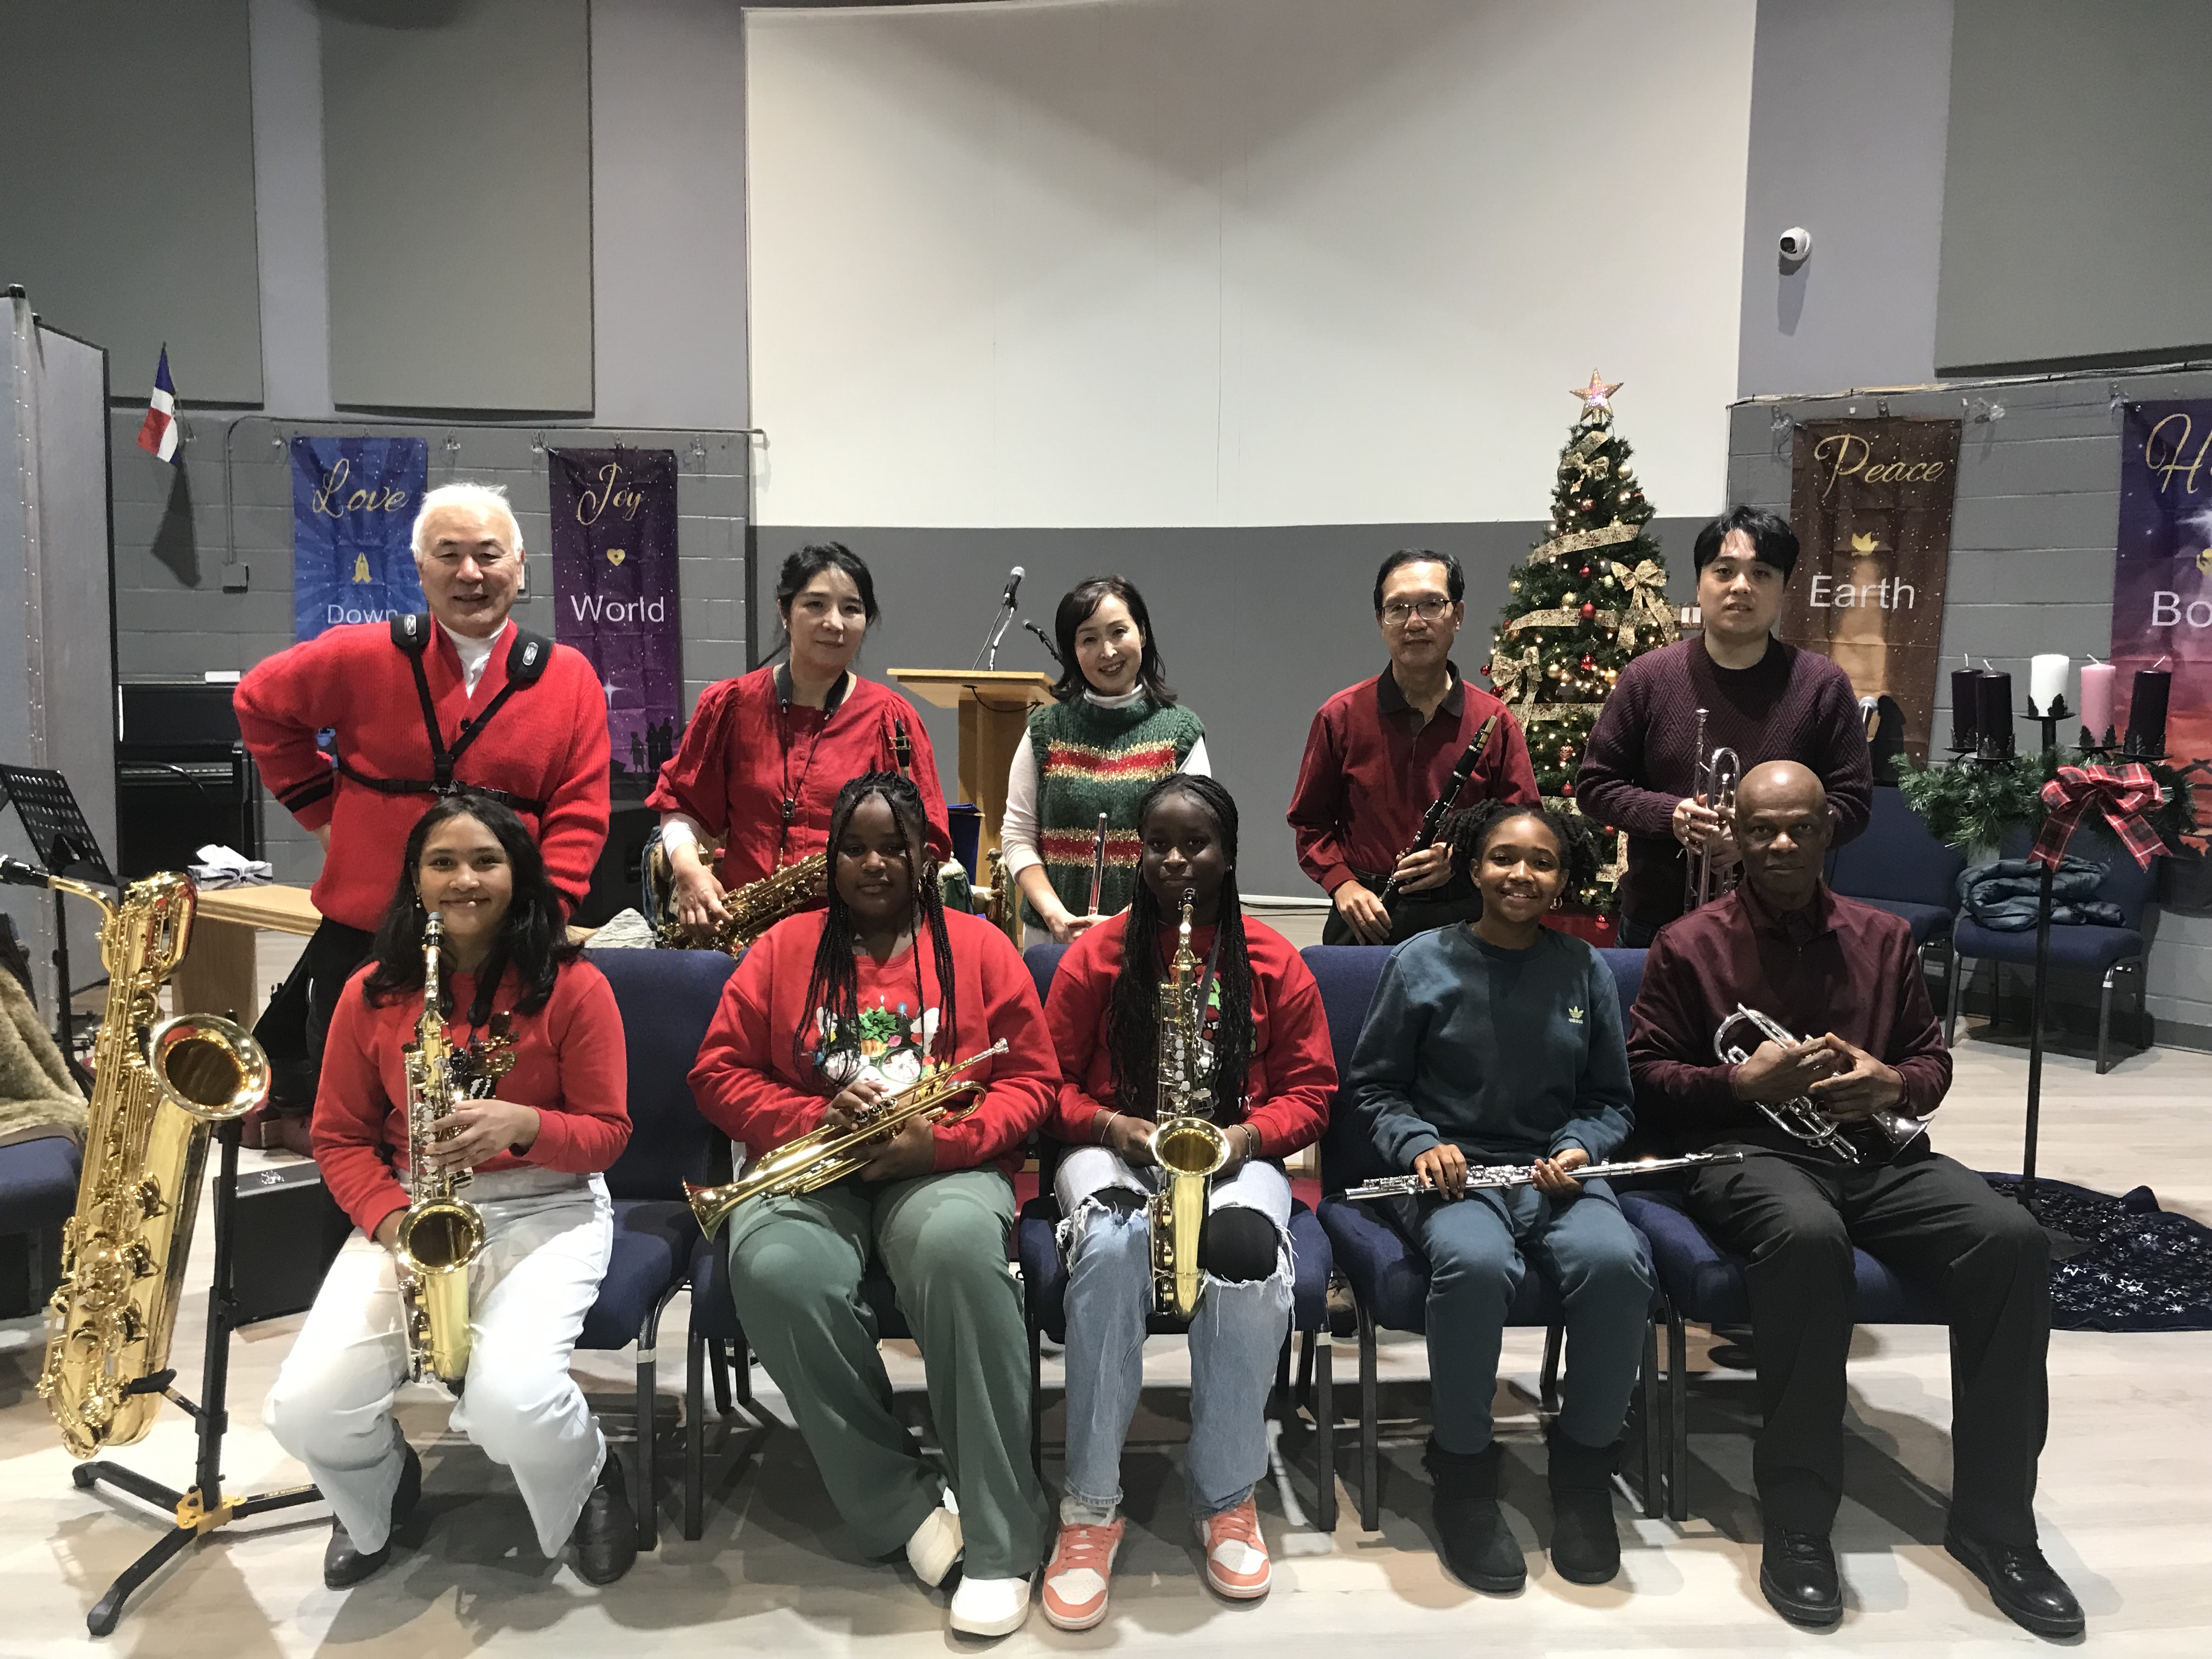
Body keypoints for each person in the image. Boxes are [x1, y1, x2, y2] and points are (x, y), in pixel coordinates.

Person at [1625, 760, 2080, 1637]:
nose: (1782, 843)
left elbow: (1929, 1060)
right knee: (1803, 1236)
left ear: (1829, 831)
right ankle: (1798, 1520)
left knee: (2013, 1239)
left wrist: (1891, 1084)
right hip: (1748, 1151)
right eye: (1761, 829)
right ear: (1738, 837)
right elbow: (1647, 1079)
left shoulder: (1885, 938)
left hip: (1877, 1156)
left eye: (1799, 826)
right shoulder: (1688, 943)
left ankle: (1998, 1528)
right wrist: (1740, 1083)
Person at [688, 771, 1055, 1638]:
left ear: (929, 855)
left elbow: (1033, 1082)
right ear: (830, 858)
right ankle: (901, 1504)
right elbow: (717, 1073)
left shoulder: (979, 946)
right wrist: (809, 1114)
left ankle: (1003, 1540)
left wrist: (947, 1144)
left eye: (895, 846)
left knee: (962, 1255)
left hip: (940, 1164)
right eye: (855, 847)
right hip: (813, 1168)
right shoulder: (782, 949)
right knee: (774, 1269)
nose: (875, 863)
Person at [263, 792, 636, 1589]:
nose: (464, 880)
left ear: (519, 875)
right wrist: (393, 1223)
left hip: (550, 1202)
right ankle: (377, 1492)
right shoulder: (372, 992)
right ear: (415, 881)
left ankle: (590, 1477)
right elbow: (337, 1136)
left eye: (485, 861)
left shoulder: (574, 985)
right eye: (443, 863)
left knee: (512, 1404)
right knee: (305, 1408)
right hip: (415, 1210)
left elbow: (609, 1135)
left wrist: (526, 1123)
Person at [1036, 775, 1334, 1629]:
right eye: (1156, 844)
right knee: (1111, 1245)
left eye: (1194, 844)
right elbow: (1043, 1083)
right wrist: (1109, 1124)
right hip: (1115, 1146)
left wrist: (1242, 1140)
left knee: (1243, 1254)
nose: (1174, 860)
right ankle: (1091, 1508)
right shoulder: (1098, 955)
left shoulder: (1273, 959)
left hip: (1231, 1149)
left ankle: (1228, 1492)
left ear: (1229, 856)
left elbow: (1314, 1090)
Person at [236, 483, 611, 1142]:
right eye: (449, 555)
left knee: (483, 1108)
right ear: (419, 570)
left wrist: (545, 915)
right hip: (365, 937)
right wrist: (325, 818)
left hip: (505, 943)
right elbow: (260, 703)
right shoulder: (358, 655)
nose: (471, 574)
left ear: (520, 566)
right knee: (349, 1121)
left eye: (489, 555)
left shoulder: (570, 675)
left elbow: (581, 807)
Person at [1343, 798, 1653, 1592]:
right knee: (1474, 1266)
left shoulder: (1584, 971)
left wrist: (1581, 1147)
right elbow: (1375, 1089)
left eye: (1542, 861)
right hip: (1451, 1175)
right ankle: (1464, 1471)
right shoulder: (1418, 962)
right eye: (1504, 858)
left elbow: (1612, 1100)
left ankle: (1584, 1471)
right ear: (1475, 867)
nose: (1522, 874)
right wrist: (1421, 1145)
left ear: (1565, 877)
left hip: (1556, 1169)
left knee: (1616, 1262)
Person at [1574, 505, 1872, 947]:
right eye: (1724, 571)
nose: (1741, 587)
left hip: (1781, 925)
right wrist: (1671, 816)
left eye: (1762, 573)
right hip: (1656, 923)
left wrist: (1769, 835)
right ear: (1699, 583)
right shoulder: (1648, 677)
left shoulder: (1821, 684)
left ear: (1784, 587)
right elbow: (1595, 787)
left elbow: (1853, 805)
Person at [650, 543, 950, 937]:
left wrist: (860, 873)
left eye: (851, 609)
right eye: (815, 605)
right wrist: (689, 870)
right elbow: (683, 803)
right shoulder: (731, 705)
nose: (835, 623)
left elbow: (927, 845)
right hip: (745, 935)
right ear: (784, 612)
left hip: (856, 935)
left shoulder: (891, 719)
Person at [1289, 549, 1538, 945]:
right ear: (1380, 621)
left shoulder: (1494, 721)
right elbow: (1310, 823)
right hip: (1367, 914)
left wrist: (1460, 859)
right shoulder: (1339, 716)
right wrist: (1342, 886)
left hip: (1464, 919)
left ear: (1457, 616)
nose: (1415, 622)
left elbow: (1523, 825)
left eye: (1431, 605)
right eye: (1398, 608)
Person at [1001, 575, 1209, 944]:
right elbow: (1018, 836)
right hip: (1053, 935)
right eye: (1089, 639)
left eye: (1118, 632)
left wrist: (1127, 921)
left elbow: (1192, 845)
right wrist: (1056, 915)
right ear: (1073, 651)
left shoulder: (1181, 732)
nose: (1108, 652)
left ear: (1142, 633)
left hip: (1149, 934)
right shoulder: (1044, 730)